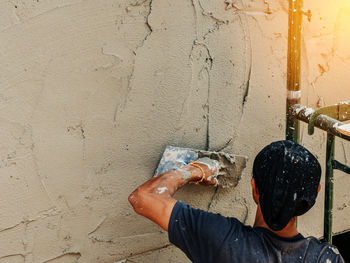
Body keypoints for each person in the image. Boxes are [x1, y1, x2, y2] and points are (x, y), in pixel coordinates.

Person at [128, 140, 344, 262]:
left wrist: (196, 170)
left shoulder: (224, 241)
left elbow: (143, 198)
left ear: (254, 189)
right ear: (314, 194)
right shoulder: (327, 258)